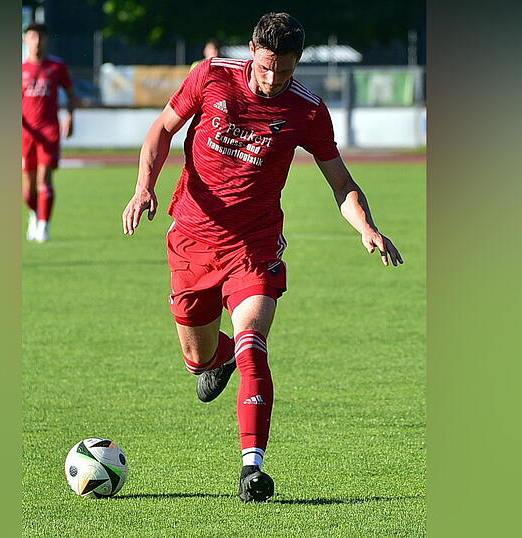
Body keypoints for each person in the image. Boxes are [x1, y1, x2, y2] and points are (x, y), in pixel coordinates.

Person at [121, 12, 403, 502]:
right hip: (191, 238)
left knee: (254, 340)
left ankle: (253, 467)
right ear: (253, 49)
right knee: (199, 361)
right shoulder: (210, 77)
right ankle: (217, 356)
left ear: (298, 63)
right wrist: (144, 187)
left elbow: (341, 184)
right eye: (268, 67)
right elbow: (160, 132)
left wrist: (367, 227)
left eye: (286, 70)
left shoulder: (307, 110)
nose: (274, 81)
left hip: (254, 245)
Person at [22, 23, 76, 243]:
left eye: (41, 37)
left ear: (46, 40)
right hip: (25, 133)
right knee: (28, 187)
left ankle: (44, 225)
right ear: (26, 40)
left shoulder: (56, 66)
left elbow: (71, 94)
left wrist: (70, 116)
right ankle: (34, 214)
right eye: (33, 37)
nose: (37, 41)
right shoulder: (20, 68)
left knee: (44, 178)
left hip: (49, 130)